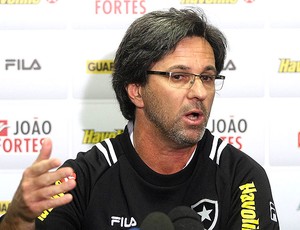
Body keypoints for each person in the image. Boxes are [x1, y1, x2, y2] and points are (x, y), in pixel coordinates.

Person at [0, 7, 279, 230]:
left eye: (206, 77)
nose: (199, 92)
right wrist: (18, 219)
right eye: (178, 76)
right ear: (136, 91)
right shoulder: (81, 180)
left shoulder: (241, 178)